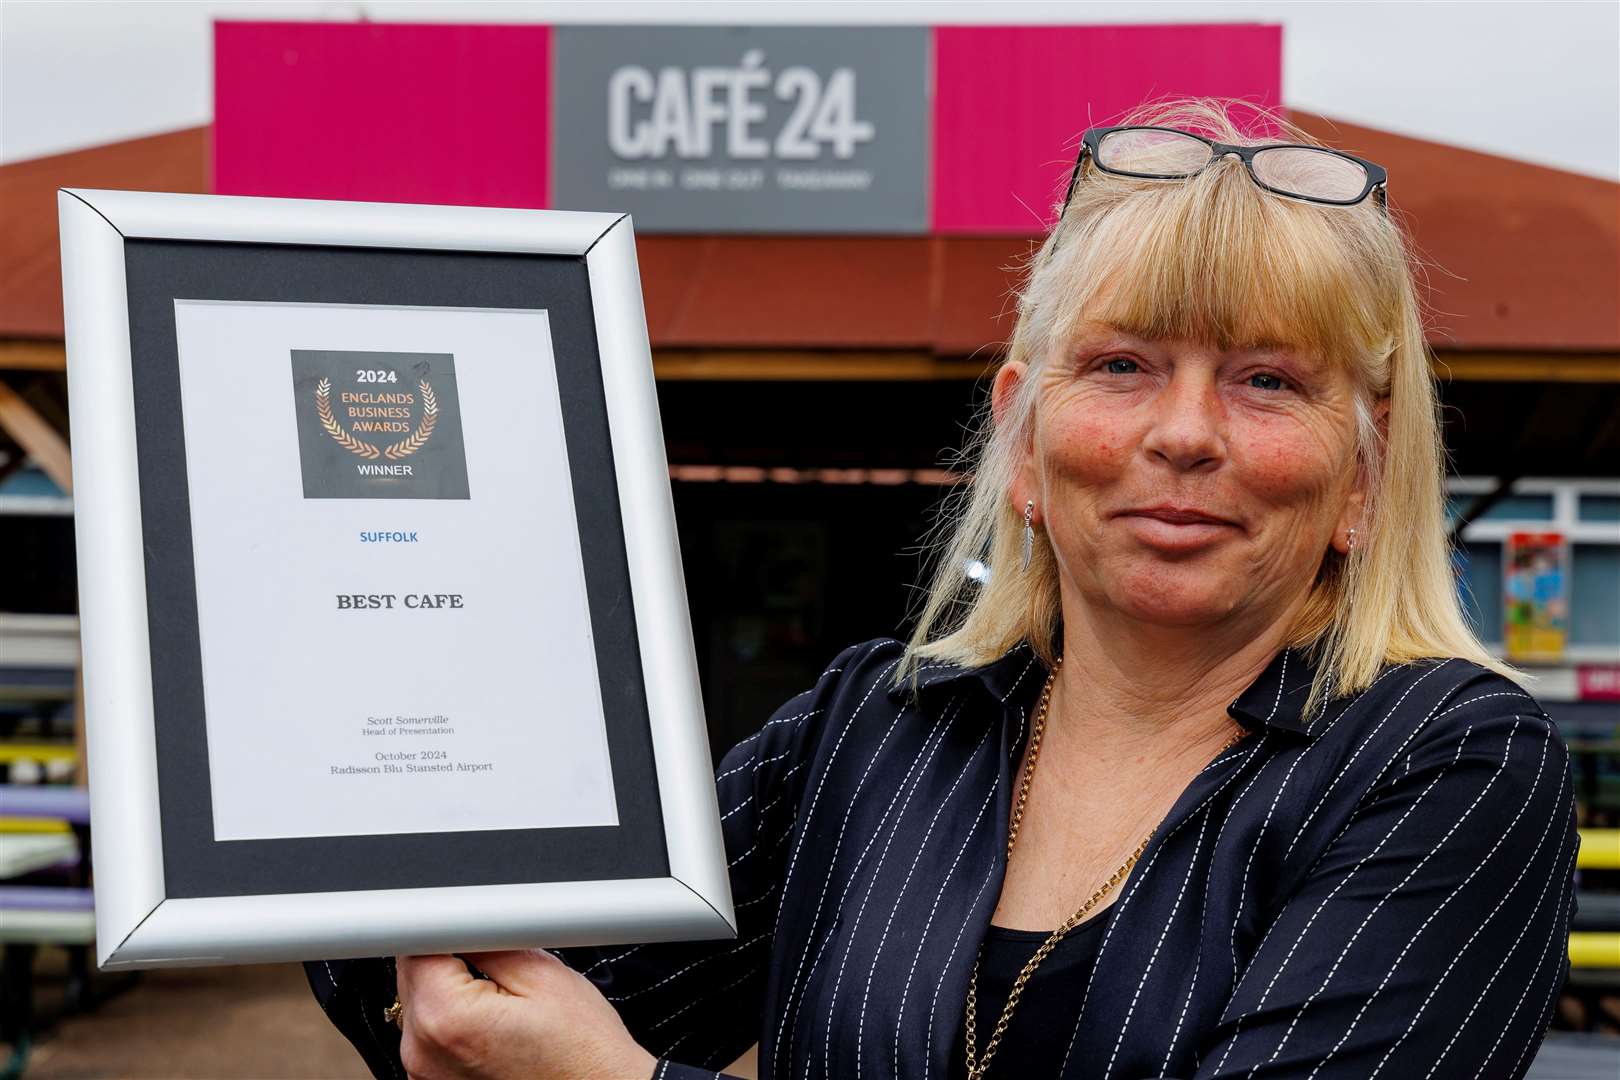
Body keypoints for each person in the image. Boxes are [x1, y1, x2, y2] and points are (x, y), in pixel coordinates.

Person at [306, 98, 1579, 1079]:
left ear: (1365, 471)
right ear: (1023, 439)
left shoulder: (1449, 767)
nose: (1186, 434)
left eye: (1268, 381)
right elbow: (486, 1006)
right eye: (1124, 364)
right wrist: (364, 680)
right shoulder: (875, 728)